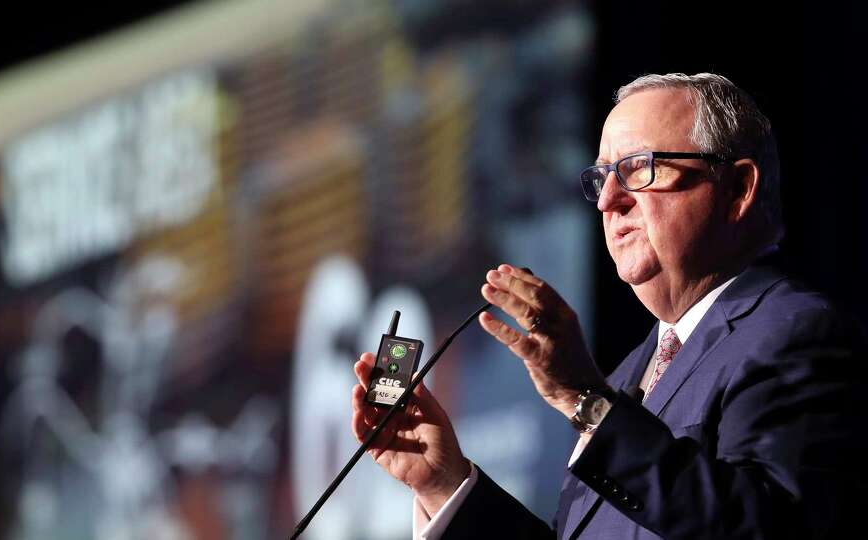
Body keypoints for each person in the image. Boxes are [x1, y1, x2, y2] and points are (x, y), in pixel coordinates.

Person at [349, 73, 867, 539]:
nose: (607, 200)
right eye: (601, 177)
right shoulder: (630, 377)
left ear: (737, 188)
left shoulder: (795, 333)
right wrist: (445, 484)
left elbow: (762, 527)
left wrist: (589, 400)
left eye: (639, 168)